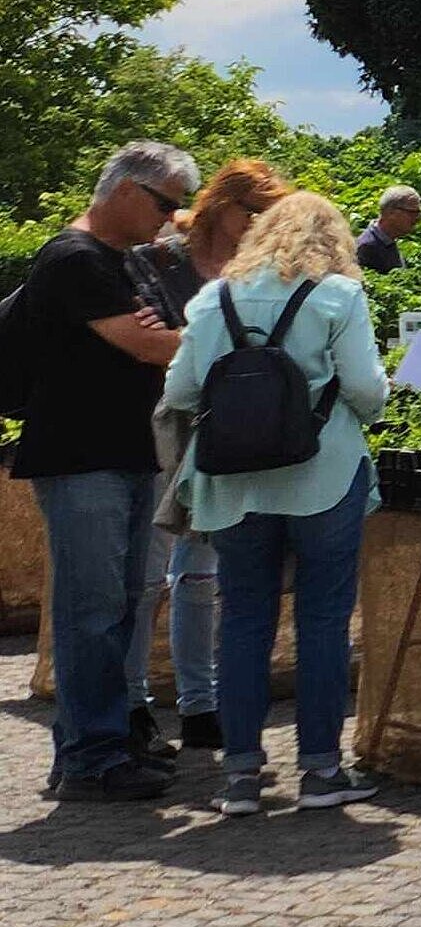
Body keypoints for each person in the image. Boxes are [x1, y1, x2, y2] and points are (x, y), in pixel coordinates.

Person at [160, 193, 389, 814]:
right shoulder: (339, 296)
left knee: (240, 620)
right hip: (323, 473)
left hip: (234, 483)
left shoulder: (213, 299)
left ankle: (239, 775)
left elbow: (180, 389)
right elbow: (368, 389)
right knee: (322, 621)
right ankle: (320, 771)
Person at [12, 142, 199, 800]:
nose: (173, 218)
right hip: (82, 457)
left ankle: (104, 747)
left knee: (119, 608)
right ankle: (90, 760)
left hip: (123, 454)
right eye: (166, 203)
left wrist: (165, 338)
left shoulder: (124, 263)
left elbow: (161, 336)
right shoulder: (75, 259)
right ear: (126, 190)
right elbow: (152, 341)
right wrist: (196, 336)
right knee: (92, 611)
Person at [128, 157, 289, 752]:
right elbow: (148, 340)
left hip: (223, 432)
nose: (260, 226)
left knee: (199, 574)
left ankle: (200, 703)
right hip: (159, 427)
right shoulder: (156, 258)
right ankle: (134, 702)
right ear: (223, 206)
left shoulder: (256, 272)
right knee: (145, 575)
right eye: (254, 213)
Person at [353, 185, 421, 273]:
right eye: (412, 212)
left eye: (418, 212)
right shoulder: (366, 248)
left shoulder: (388, 241)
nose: (417, 218)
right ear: (391, 213)